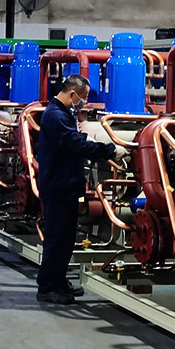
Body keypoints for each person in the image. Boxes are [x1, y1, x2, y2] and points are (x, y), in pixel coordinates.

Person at [35, 74, 120, 304]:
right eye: (83, 97)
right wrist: (107, 150)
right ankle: (47, 287)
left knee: (66, 239)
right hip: (58, 187)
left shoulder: (63, 114)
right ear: (72, 94)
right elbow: (75, 143)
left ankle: (58, 280)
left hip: (67, 186)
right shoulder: (55, 115)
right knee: (56, 238)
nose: (84, 102)